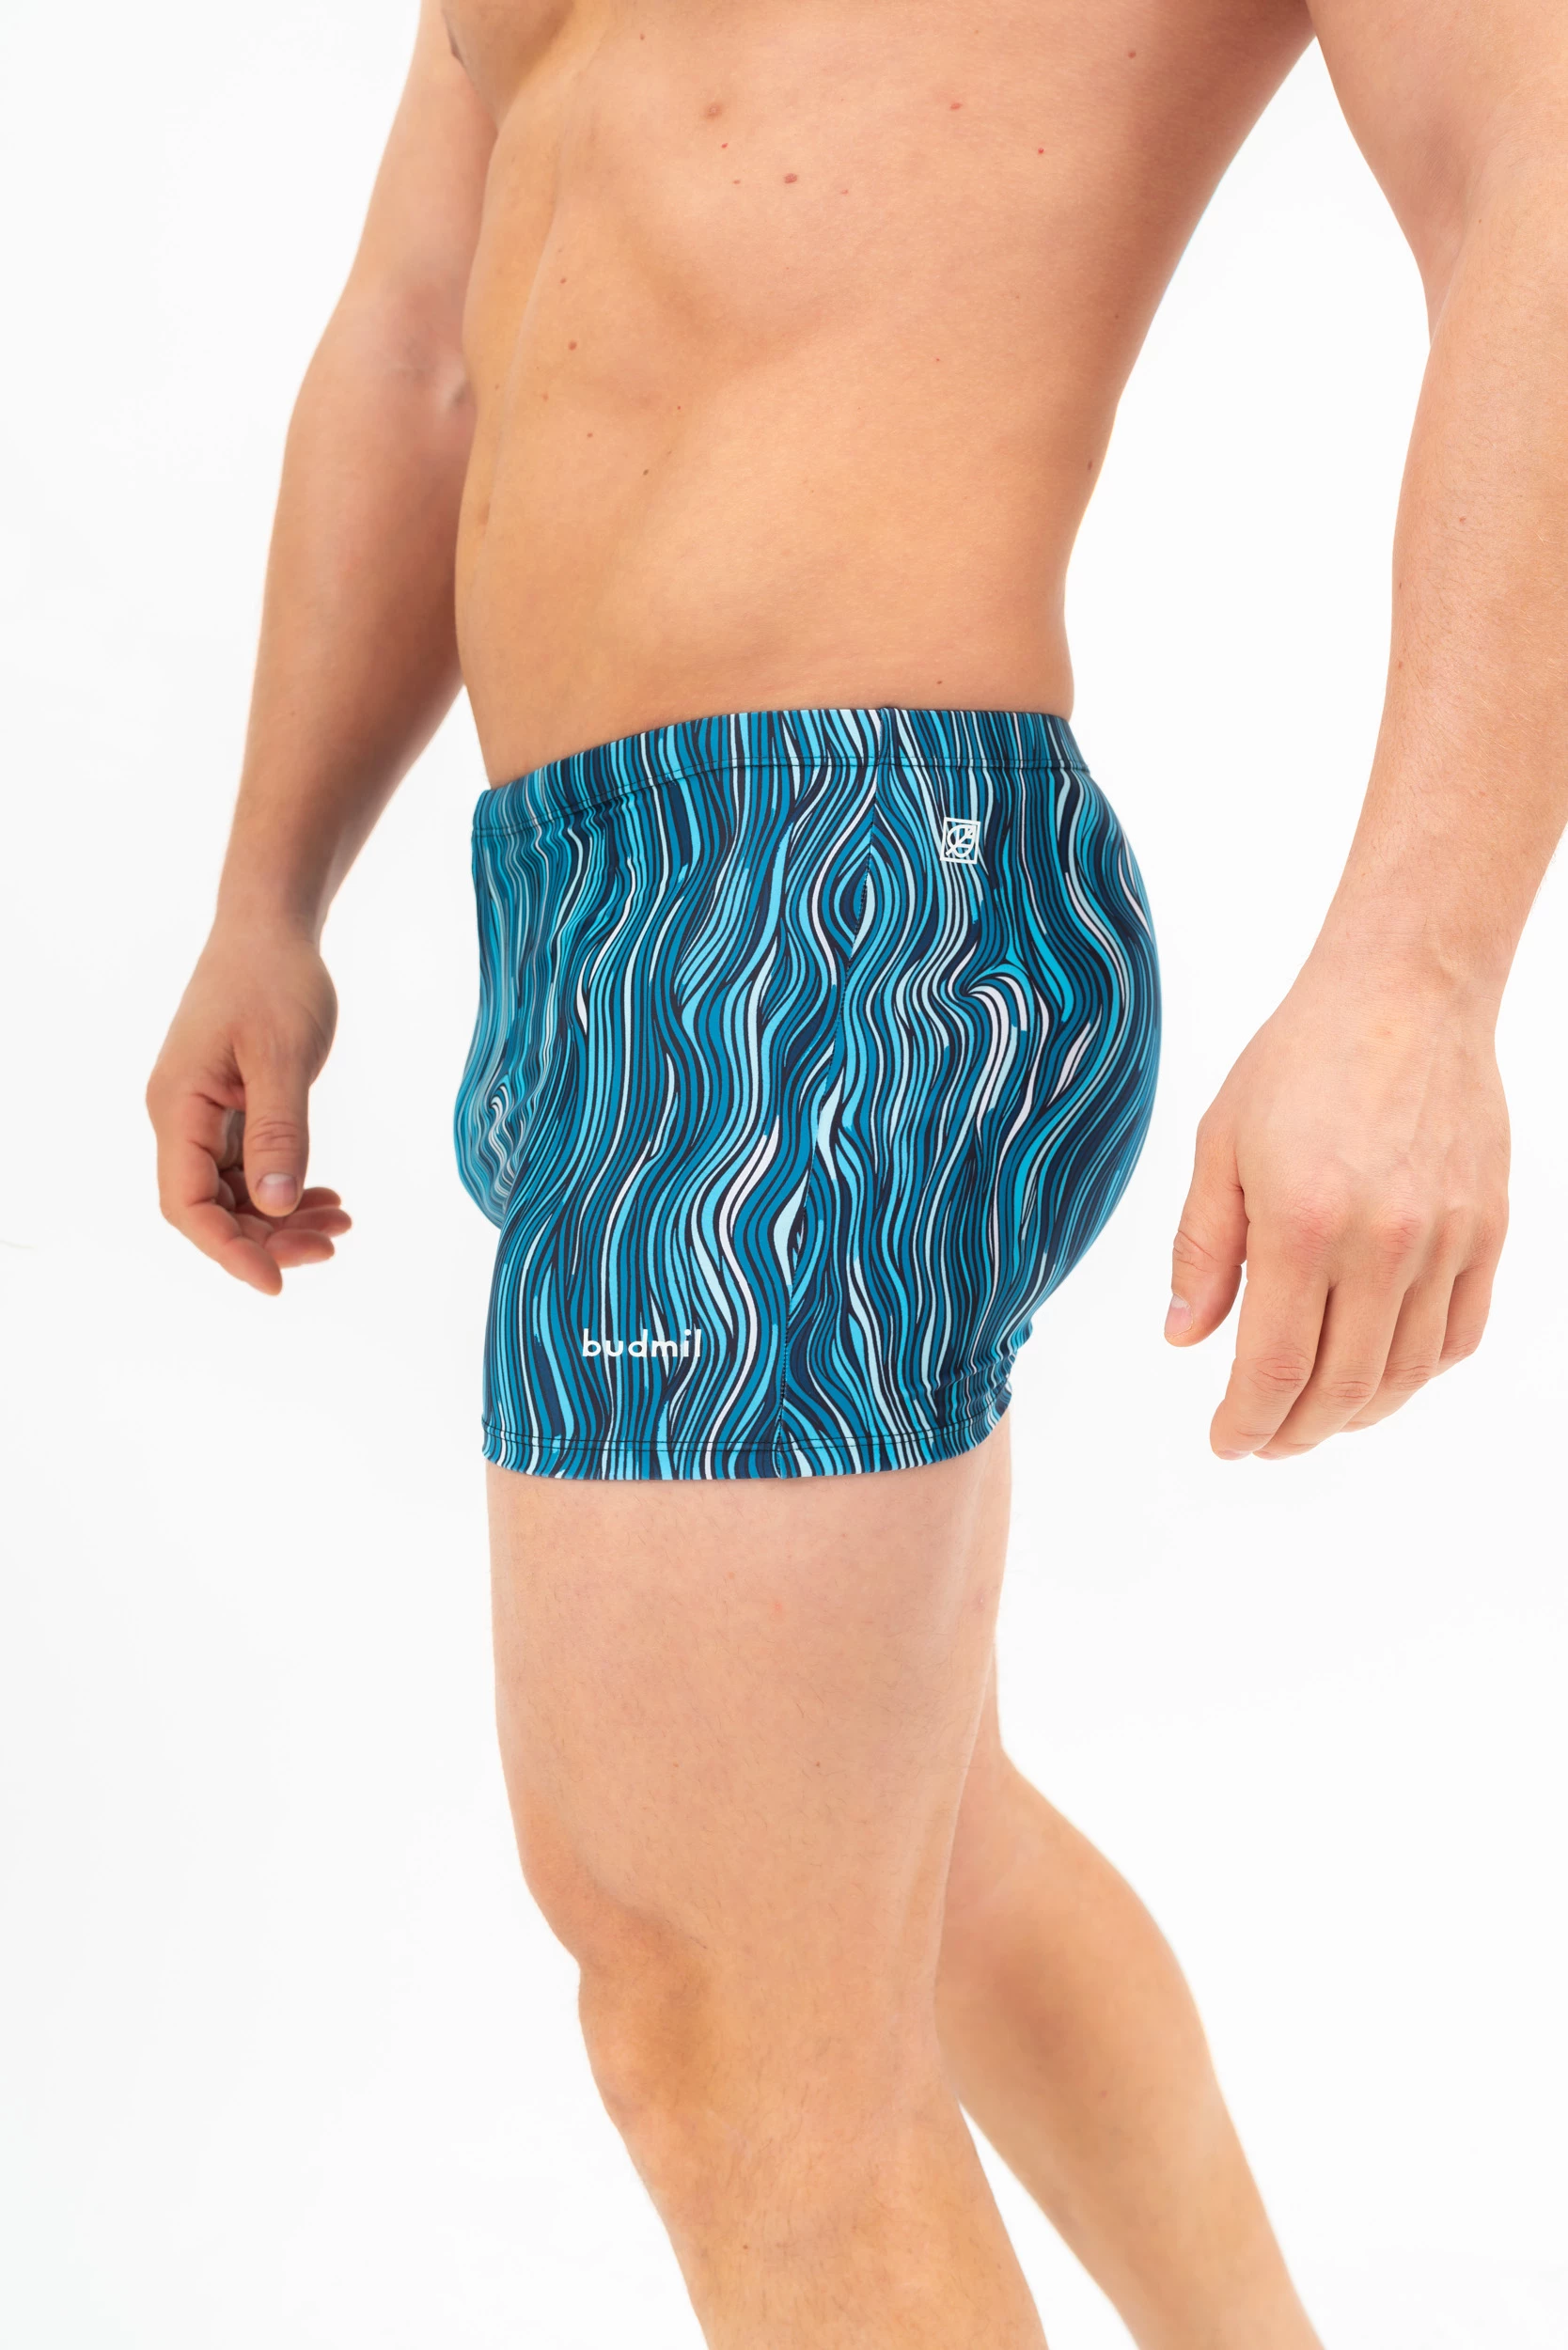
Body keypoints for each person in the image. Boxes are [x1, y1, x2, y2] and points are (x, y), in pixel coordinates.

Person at [145, 2, 1567, 2342]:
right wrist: (268, 888)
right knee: (918, 1860)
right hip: (585, 902)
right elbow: (425, 338)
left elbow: (1542, 172)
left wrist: (1422, 969)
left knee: (716, 2019)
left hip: (835, 888)